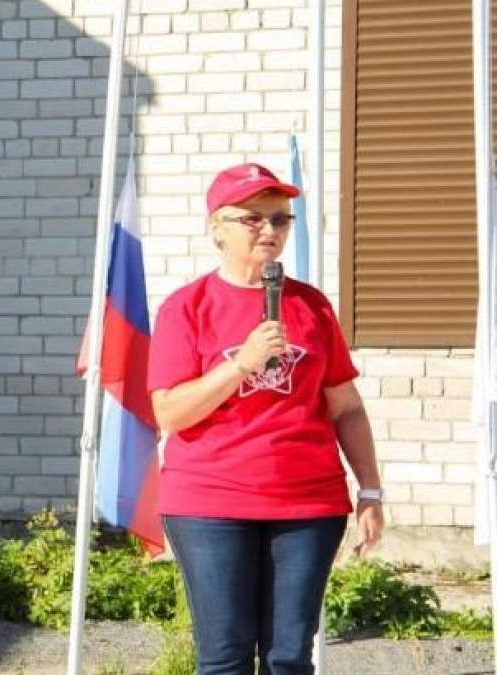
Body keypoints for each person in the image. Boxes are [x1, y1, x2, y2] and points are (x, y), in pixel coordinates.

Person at [147, 163, 385, 675]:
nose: (269, 230)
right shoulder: (187, 308)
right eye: (252, 218)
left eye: (280, 219)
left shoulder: (312, 306)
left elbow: (346, 407)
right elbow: (170, 412)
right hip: (211, 503)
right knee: (225, 658)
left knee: (288, 658)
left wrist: (370, 490)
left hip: (307, 504)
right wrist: (241, 364)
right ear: (217, 226)